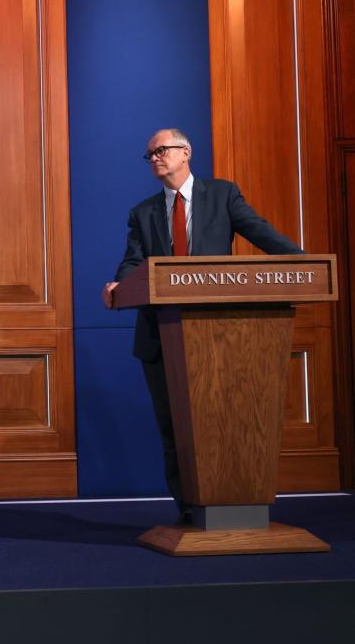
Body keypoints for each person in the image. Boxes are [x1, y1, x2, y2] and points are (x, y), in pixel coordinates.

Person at [102, 128, 301, 524]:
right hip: (161, 337)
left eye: (161, 150)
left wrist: (301, 262)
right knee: (174, 429)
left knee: (224, 422)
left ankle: (233, 506)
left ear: (185, 152)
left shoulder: (223, 195)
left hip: (221, 337)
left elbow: (259, 231)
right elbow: (133, 261)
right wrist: (120, 283)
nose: (155, 158)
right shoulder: (142, 212)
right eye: (150, 155)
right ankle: (189, 509)